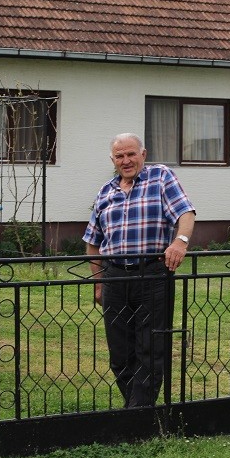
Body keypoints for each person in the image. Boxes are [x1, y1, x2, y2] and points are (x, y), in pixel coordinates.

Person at [83, 133, 196, 407]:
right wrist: (98, 283)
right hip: (114, 278)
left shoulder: (160, 177)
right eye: (119, 156)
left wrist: (180, 242)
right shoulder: (105, 191)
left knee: (151, 348)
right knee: (120, 353)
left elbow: (185, 212)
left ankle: (136, 415)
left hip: (152, 275)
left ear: (143, 154)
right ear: (113, 160)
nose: (126, 160)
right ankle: (138, 410)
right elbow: (93, 242)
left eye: (131, 154)